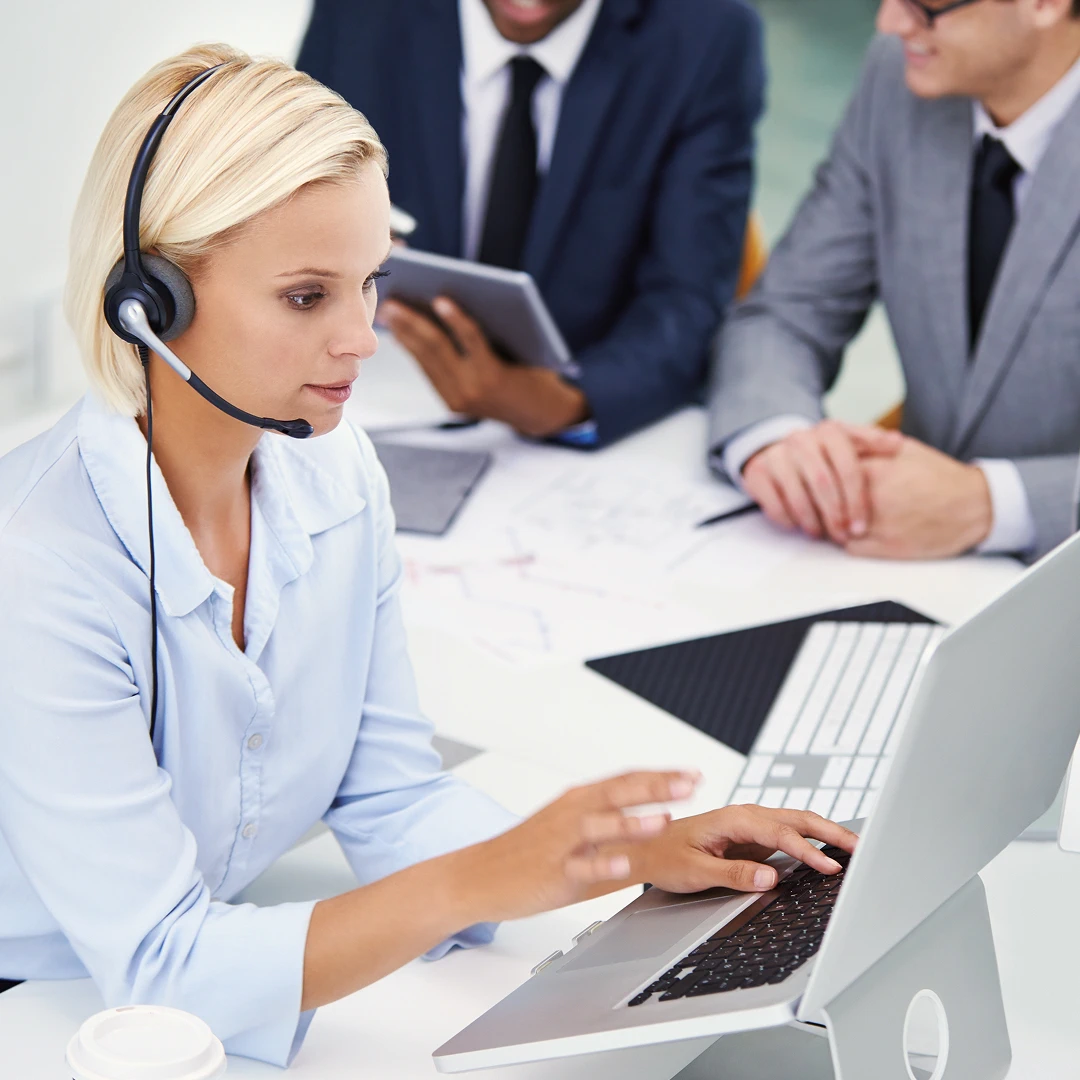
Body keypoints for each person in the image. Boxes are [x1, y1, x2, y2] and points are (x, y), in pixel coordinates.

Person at [0, 47, 855, 1067]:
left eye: (371, 284)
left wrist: (632, 858)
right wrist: (494, 877)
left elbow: (389, 790)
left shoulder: (332, 468)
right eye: (308, 297)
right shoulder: (40, 562)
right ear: (152, 301)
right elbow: (160, 964)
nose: (364, 339)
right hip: (50, 1003)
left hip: (210, 960)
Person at [708, 0, 1080, 563]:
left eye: (927, 6)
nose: (890, 23)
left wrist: (993, 504)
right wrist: (778, 438)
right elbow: (787, 310)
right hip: (909, 569)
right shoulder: (898, 76)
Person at [297, 0, 765, 446]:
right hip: (370, 388)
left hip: (580, 407)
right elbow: (292, 211)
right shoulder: (360, 13)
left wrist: (570, 402)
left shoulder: (709, 37)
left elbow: (688, 298)